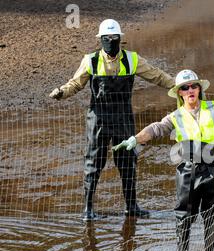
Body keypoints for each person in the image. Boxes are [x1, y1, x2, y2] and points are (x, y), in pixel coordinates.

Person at [113, 69, 214, 251]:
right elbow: (156, 128)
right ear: (179, 92)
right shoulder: (176, 116)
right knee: (183, 214)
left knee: (213, 212)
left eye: (194, 86)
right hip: (187, 170)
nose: (190, 90)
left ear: (199, 89)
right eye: (185, 87)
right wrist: (135, 139)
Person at [49, 19, 175, 221]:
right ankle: (88, 209)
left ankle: (131, 207)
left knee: (128, 161)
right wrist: (61, 92)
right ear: (100, 40)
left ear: (120, 39)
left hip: (123, 118)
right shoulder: (90, 60)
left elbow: (156, 75)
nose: (111, 41)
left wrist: (178, 86)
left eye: (114, 38)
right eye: (106, 38)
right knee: (93, 162)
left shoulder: (132, 60)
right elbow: (76, 83)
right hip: (98, 119)